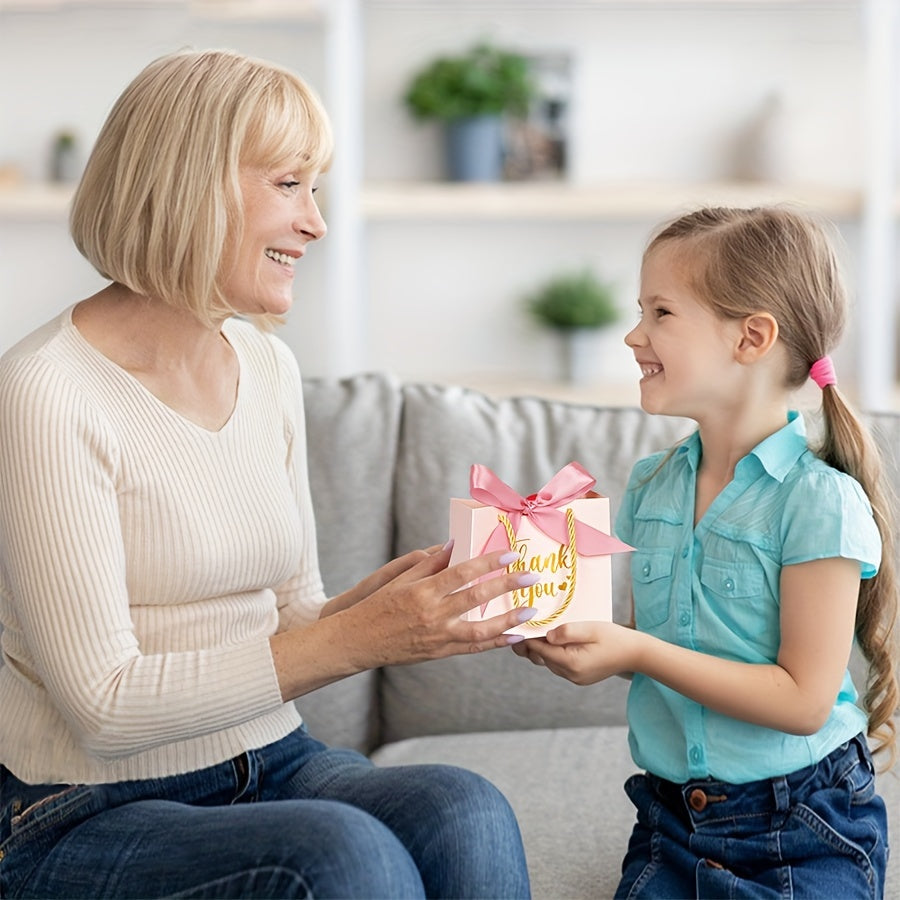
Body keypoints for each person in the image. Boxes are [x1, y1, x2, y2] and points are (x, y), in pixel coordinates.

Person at [0, 49, 537, 899]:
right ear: (189, 187)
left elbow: (293, 610)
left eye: (313, 188)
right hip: (83, 806)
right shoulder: (45, 393)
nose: (316, 223)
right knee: (340, 857)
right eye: (290, 185)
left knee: (459, 805)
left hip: (271, 759)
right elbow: (102, 706)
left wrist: (401, 604)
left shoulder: (266, 365)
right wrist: (358, 638)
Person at [514, 206, 899, 898]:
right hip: (671, 821)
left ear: (751, 337)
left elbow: (805, 701)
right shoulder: (651, 487)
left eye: (661, 312)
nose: (634, 335)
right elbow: (671, 648)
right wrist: (584, 641)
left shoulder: (819, 502)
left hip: (804, 823)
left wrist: (632, 653)